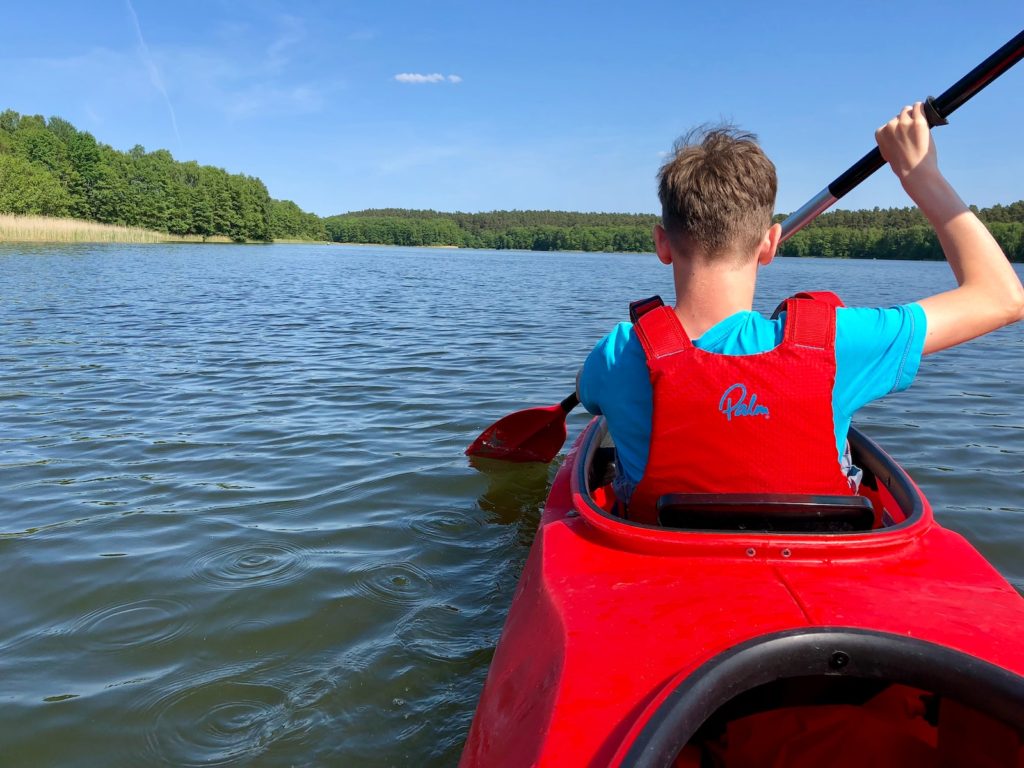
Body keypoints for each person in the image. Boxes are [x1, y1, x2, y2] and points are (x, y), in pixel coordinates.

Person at [577, 103, 1024, 524]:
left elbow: (588, 395)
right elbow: (1002, 298)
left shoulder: (617, 353)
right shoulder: (838, 343)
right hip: (815, 568)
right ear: (770, 243)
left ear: (661, 243)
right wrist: (919, 174)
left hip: (660, 560)